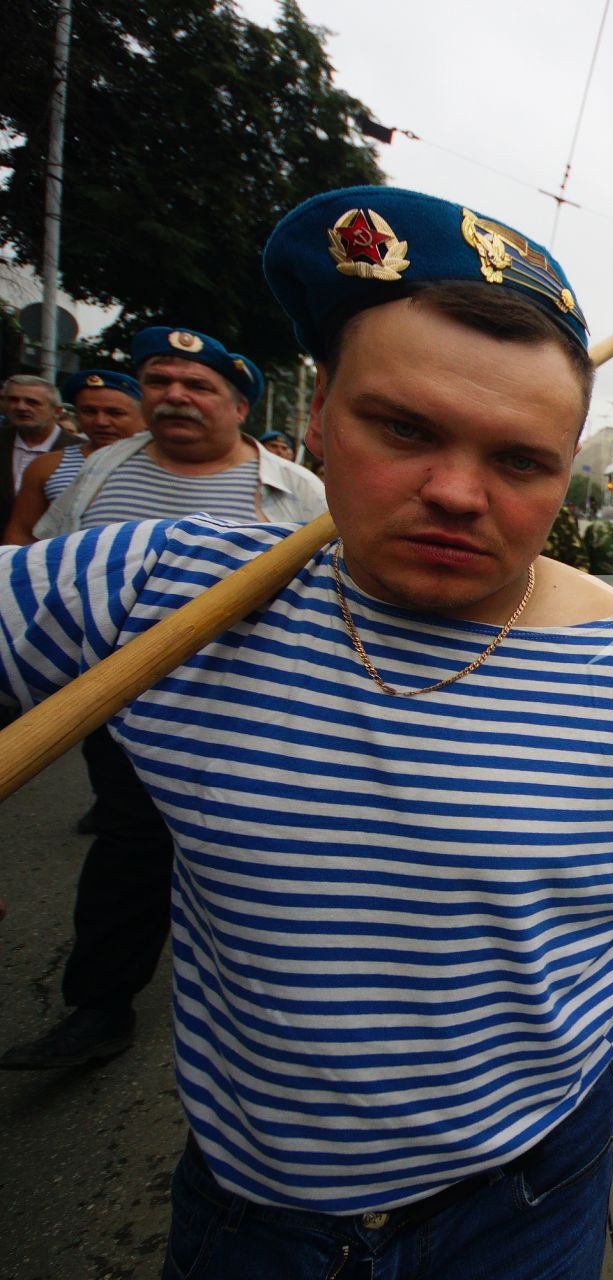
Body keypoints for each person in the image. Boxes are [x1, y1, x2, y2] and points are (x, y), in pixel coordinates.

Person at [0, 186, 613, 1279]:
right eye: (402, 429)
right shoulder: (156, 589)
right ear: (319, 419)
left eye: (519, 460)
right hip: (256, 1213)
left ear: (565, 473)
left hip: (531, 1190)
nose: (455, 491)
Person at [2, 329, 328, 1072]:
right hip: (115, 701)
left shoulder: (295, 490)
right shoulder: (93, 471)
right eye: (160, 380)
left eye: (198, 385)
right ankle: (100, 1005)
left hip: (244, 714)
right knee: (129, 844)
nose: (175, 396)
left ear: (239, 406)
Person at [2, 370, 144, 545]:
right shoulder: (47, 466)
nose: (101, 421)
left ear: (144, 416)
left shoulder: (168, 465)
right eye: (89, 411)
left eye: (115, 413)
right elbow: (21, 535)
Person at [1, 374, 79, 533]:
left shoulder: (80, 451)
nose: (21, 407)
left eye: (32, 402)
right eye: (13, 400)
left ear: (57, 411)